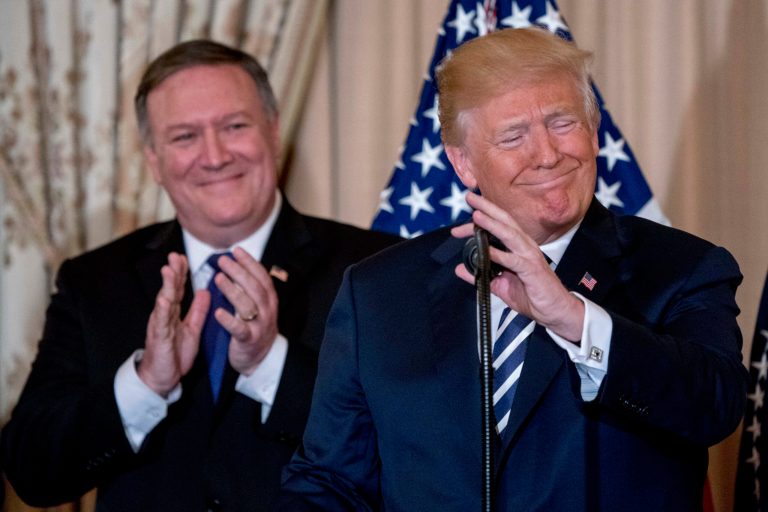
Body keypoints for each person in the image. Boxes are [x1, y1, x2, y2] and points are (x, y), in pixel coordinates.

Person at [278, 27, 749, 511]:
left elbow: (714, 407)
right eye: (514, 135)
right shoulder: (378, 292)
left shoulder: (683, 267)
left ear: (593, 131)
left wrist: (573, 318)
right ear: (463, 163)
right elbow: (329, 481)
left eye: (562, 123)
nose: (547, 154)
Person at [0, 40, 399, 512]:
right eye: (185, 136)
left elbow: (402, 451)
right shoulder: (94, 281)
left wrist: (270, 363)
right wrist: (145, 384)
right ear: (153, 160)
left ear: (273, 132)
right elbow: (32, 470)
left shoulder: (375, 268)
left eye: (234, 126)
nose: (214, 156)